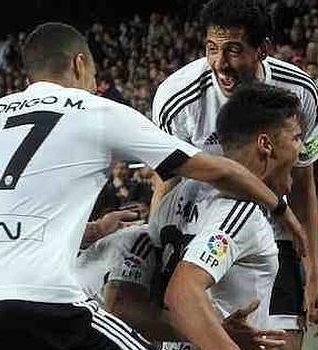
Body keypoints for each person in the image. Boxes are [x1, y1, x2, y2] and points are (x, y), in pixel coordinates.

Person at [0, 22, 305, 350]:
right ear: (80, 64)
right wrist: (280, 208)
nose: (95, 84)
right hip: (41, 301)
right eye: (94, 74)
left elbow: (6, 221)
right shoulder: (92, 110)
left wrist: (94, 229)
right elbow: (216, 169)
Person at [150, 0, 318, 334]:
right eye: (211, 48)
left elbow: (304, 183)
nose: (220, 63)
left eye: (233, 50)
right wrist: (158, 255)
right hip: (206, 235)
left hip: (277, 236)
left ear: (262, 49)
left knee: (278, 341)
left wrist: (313, 277)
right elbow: (166, 183)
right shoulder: (177, 97)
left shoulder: (299, 91)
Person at [106, 84, 302, 350]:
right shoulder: (240, 212)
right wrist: (220, 337)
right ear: (265, 144)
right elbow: (182, 294)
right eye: (296, 138)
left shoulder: (175, 197)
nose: (301, 148)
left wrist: (204, 329)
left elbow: (123, 305)